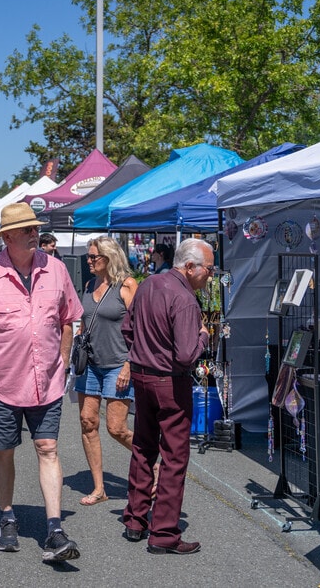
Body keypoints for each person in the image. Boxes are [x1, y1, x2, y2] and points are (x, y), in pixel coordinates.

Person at [0, 202, 83, 563]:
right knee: (4, 449)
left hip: (48, 381)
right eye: (26, 229)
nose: (34, 233)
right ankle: (7, 515)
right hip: (0, 383)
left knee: (47, 448)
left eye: (34, 228)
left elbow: (68, 319)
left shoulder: (56, 270)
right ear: (8, 236)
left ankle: (54, 528)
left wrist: (63, 359)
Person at [121, 237, 213, 556]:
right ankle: (163, 532)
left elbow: (127, 329)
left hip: (143, 376)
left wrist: (144, 353)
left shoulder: (148, 285)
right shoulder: (185, 299)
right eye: (208, 270)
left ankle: (135, 519)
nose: (210, 276)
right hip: (170, 382)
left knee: (144, 447)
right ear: (189, 267)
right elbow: (187, 354)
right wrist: (203, 336)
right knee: (174, 457)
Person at [75, 237, 139, 506]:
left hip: (117, 365)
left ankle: (154, 464)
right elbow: (84, 322)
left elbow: (140, 329)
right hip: (89, 364)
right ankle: (99, 487)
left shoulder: (127, 286)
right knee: (87, 422)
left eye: (93, 257)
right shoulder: (89, 285)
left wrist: (129, 365)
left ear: (109, 257)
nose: (89, 261)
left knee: (116, 428)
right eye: (88, 257)